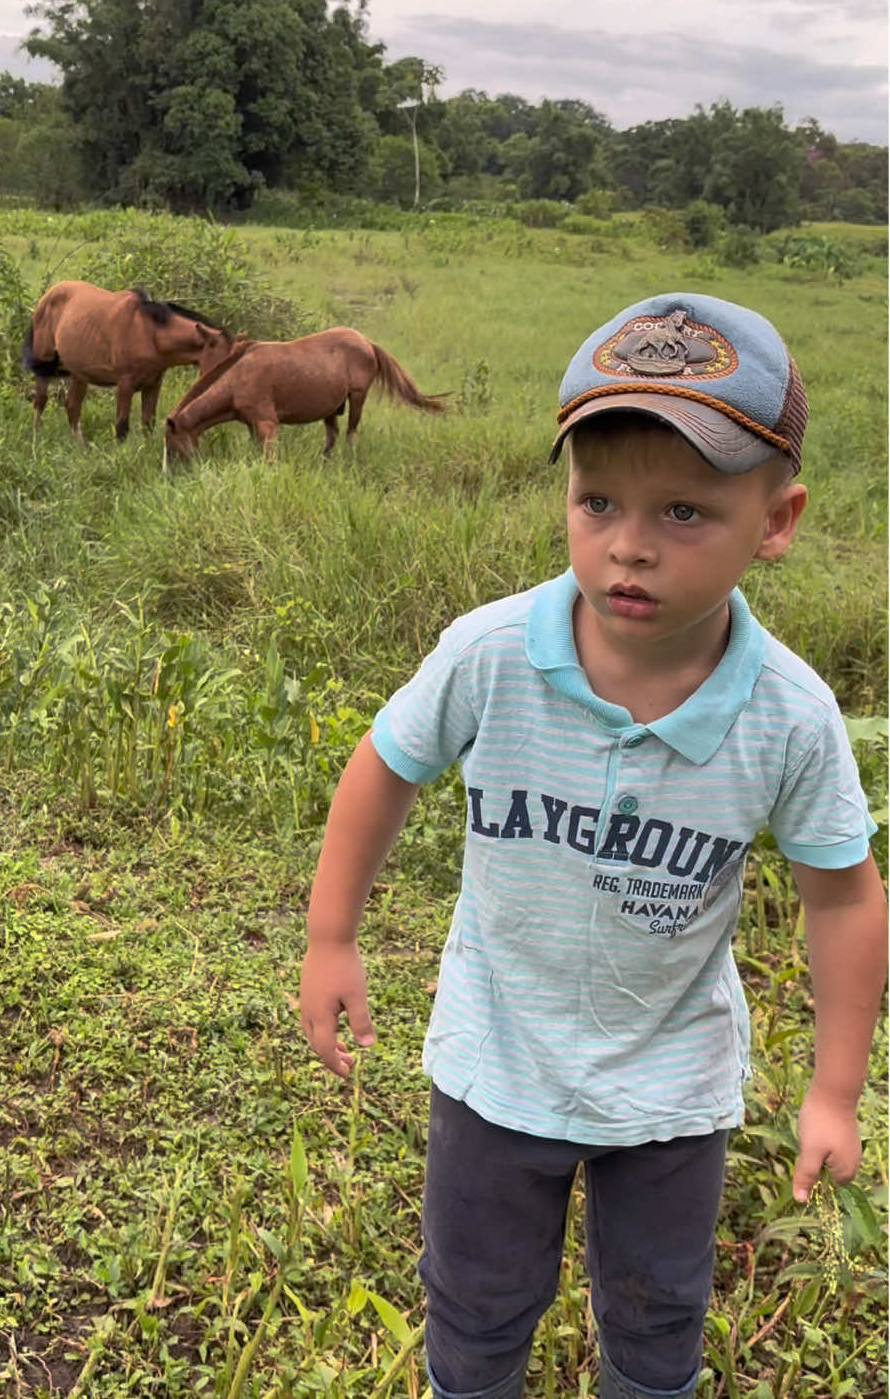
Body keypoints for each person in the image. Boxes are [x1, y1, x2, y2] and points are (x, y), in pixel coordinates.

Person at [298, 292, 887, 1399]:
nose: (626, 545)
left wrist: (835, 1091)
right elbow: (385, 763)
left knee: (660, 1322)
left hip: (670, 1089)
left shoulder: (789, 717)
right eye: (598, 499)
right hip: (491, 1062)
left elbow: (845, 899)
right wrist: (332, 937)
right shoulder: (491, 655)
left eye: (683, 513)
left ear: (778, 520)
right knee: (473, 1308)